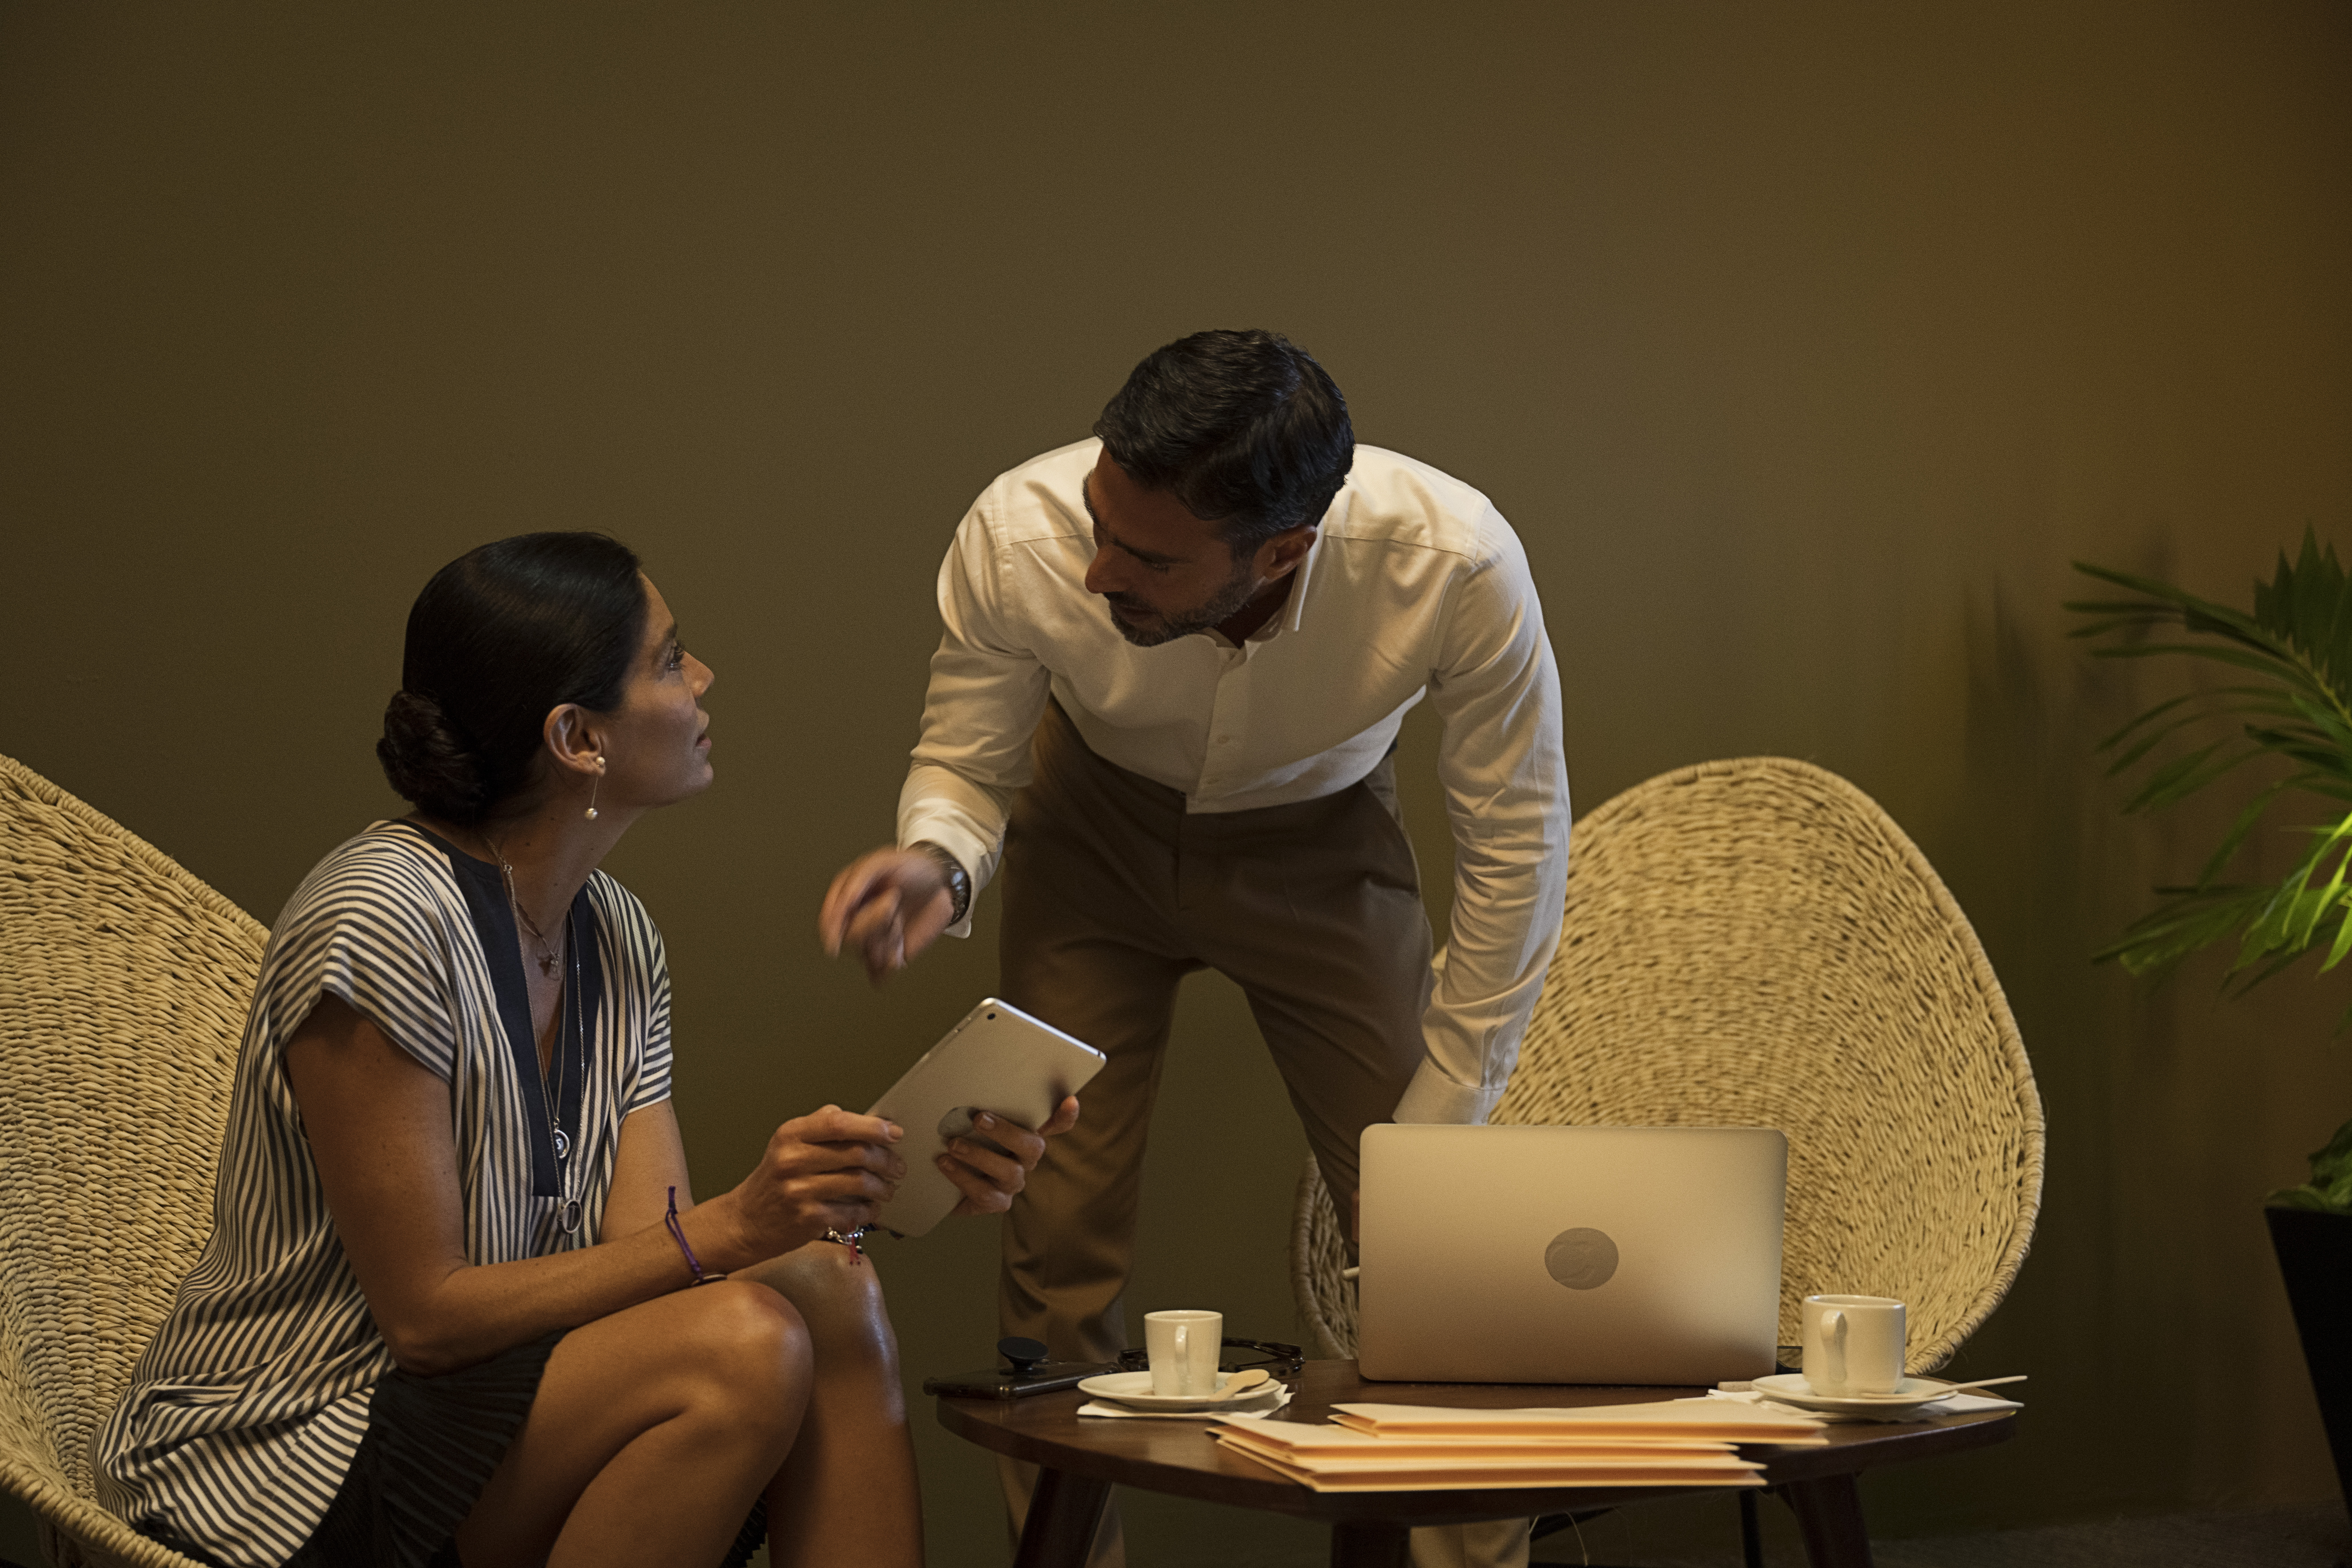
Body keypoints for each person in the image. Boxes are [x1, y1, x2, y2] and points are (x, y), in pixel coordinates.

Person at [95, 532, 1076, 1568]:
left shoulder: (613, 931)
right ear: (577, 737)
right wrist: (740, 1223)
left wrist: (880, 1183)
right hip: (286, 1450)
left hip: (493, 1406)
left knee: (828, 1289)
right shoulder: (381, 915)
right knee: (742, 1350)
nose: (703, 680)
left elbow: (653, 1261)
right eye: (668, 660)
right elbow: (425, 1319)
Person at [819, 330, 1570, 1568]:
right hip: (1090, 831)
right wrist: (939, 859)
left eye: (1150, 556)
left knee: (1440, 1240)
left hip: (1324, 842)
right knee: (1055, 1242)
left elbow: (1519, 835)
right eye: (1100, 522)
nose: (1099, 564)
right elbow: (967, 755)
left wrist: (1453, 1108)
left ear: (1284, 549)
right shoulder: (1020, 530)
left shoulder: (1456, 560)